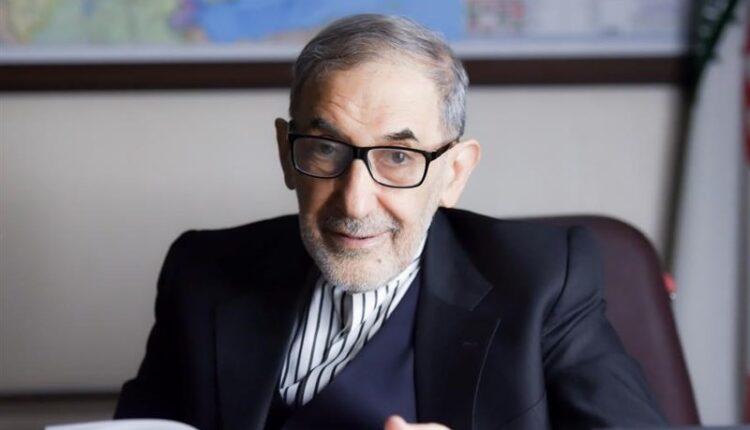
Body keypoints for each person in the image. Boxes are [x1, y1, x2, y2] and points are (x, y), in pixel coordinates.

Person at [115, 14, 666, 430]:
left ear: (454, 174)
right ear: (287, 153)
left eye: (399, 157)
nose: (355, 203)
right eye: (325, 149)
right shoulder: (201, 273)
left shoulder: (545, 281)